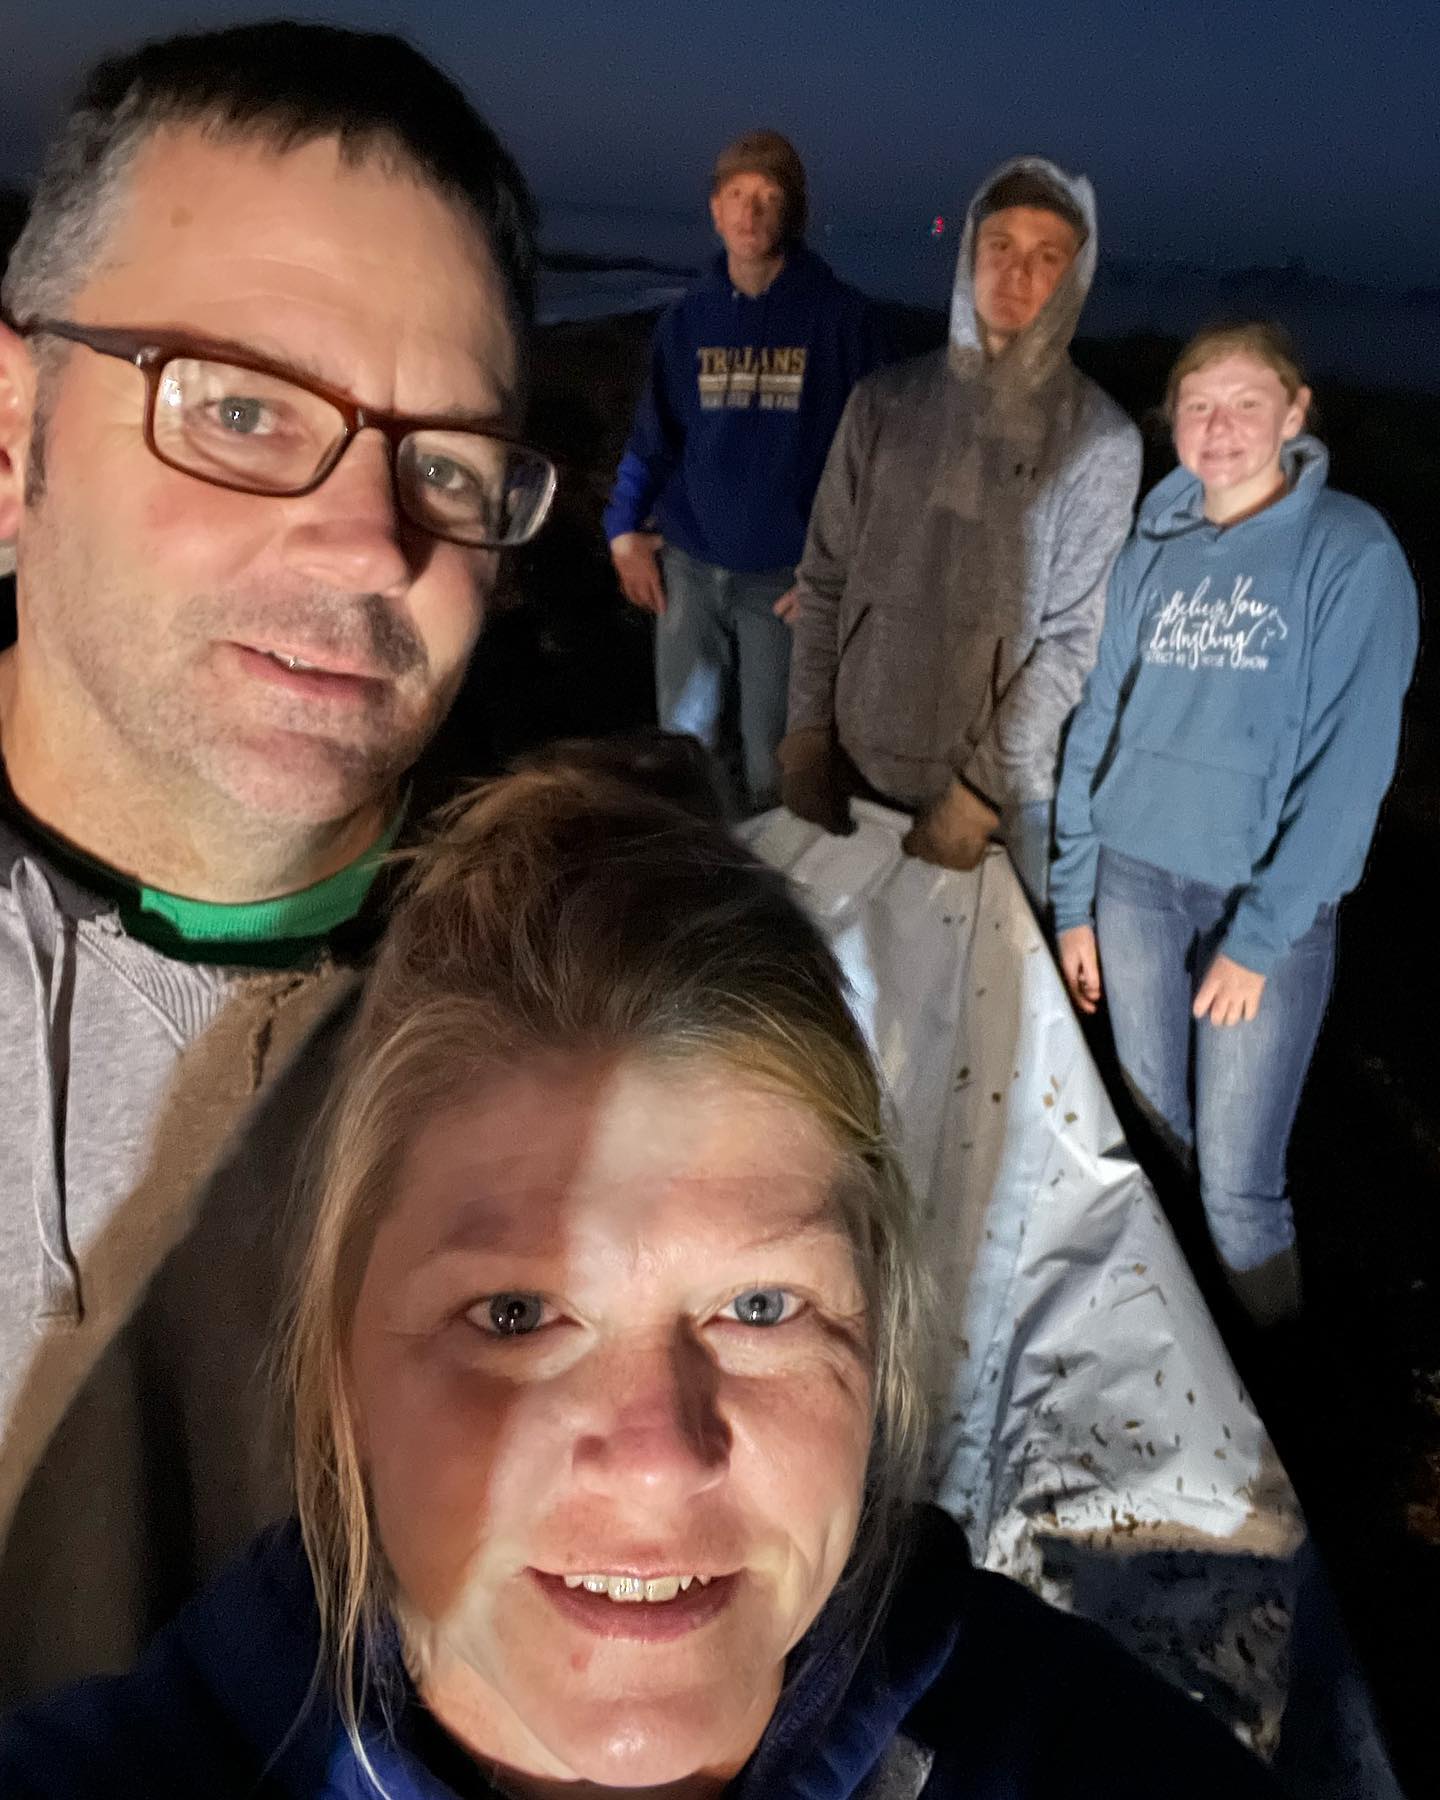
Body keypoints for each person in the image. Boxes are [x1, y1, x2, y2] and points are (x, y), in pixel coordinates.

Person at [0, 763, 1282, 1798]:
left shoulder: (1082, 1758)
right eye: (514, 1314)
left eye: (761, 1307)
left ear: (879, 1345)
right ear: (342, 1379)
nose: (661, 1458)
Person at [0, 23, 553, 1699]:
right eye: (239, 408)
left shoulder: (604, 1024)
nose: (373, 538)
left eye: (445, 463)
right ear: (10, 435)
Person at [1052, 323, 1418, 1326]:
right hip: (1132, 882)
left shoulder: (1352, 552)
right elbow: (1100, 717)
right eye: (1198, 405)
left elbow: (1351, 774)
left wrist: (1258, 939)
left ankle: (1280, 1395)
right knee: (1154, 1141)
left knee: (1237, 1189)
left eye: (1246, 403)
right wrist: (1073, 896)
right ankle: (1177, 1362)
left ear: (1296, 415)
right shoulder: (1152, 546)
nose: (1219, 427)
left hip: (1260, 903)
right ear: (1173, 422)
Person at [780, 157, 1141, 910]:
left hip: (994, 810)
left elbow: (1075, 640)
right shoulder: (883, 402)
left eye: (1048, 259)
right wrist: (807, 731)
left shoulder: (1101, 440)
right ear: (969, 255)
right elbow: (824, 577)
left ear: (1075, 280)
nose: (1016, 273)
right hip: (854, 765)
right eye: (999, 247)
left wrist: (979, 795)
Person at [604, 131, 884, 816]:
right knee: (684, 752)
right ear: (714, 211)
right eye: (736, 196)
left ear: (791, 212)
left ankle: (776, 904)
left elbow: (881, 460)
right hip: (690, 568)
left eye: (768, 197)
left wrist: (837, 571)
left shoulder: (839, 318)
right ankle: (695, 890)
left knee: (775, 763)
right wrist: (621, 533)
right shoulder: (688, 319)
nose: (750, 212)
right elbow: (654, 436)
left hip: (784, 583)